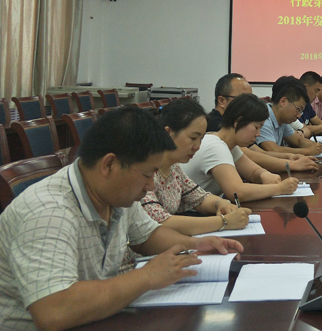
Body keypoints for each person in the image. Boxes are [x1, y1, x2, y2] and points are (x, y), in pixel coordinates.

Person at [0, 106, 242, 331]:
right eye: (147, 175)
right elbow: (53, 311)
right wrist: (146, 276)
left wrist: (196, 245)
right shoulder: (48, 211)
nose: (150, 186)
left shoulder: (114, 193)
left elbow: (147, 236)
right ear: (109, 164)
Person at [141, 98, 252, 235]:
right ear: (168, 133)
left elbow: (199, 198)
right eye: (193, 138)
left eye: (201, 139)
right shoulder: (144, 169)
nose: (197, 147)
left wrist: (222, 204)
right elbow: (160, 222)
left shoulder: (174, 168)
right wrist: (224, 222)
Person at [182, 94, 299, 201]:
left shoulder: (228, 146)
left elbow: (253, 172)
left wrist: (264, 174)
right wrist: (279, 188)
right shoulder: (215, 146)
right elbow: (237, 192)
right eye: (256, 127)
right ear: (238, 121)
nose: (258, 134)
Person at [208, 73, 319, 172]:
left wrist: (289, 156)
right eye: (242, 98)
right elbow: (250, 156)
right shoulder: (215, 124)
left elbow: (260, 153)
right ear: (222, 101)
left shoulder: (239, 123)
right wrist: (292, 163)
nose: (249, 103)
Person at [256, 78, 322, 157]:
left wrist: (321, 147)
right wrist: (307, 151)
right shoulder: (264, 116)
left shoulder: (282, 120)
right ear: (283, 102)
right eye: (298, 109)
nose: (299, 115)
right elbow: (272, 149)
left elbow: (298, 140)